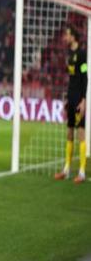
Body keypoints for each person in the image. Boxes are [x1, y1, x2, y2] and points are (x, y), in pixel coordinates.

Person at [54, 26, 88, 184]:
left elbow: (85, 76)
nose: (65, 37)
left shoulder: (82, 54)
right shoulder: (69, 54)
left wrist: (84, 100)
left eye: (67, 34)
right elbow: (72, 79)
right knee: (69, 133)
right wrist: (68, 98)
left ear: (73, 36)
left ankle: (82, 172)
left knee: (80, 133)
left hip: (79, 98)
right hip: (72, 97)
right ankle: (66, 170)